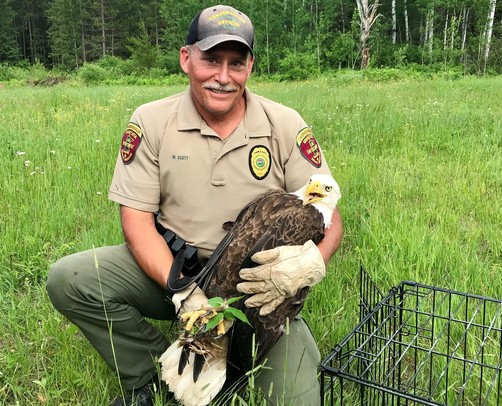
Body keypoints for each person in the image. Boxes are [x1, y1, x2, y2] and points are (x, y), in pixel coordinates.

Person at [47, 4, 343, 406]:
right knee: (72, 278)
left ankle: (231, 363)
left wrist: (311, 263)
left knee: (299, 399)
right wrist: (184, 294)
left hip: (256, 289)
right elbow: (135, 220)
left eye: (235, 63)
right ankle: (154, 378)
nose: (223, 77)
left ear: (250, 67)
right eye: (210, 60)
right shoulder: (152, 122)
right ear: (187, 59)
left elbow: (327, 211)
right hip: (174, 271)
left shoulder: (285, 124)